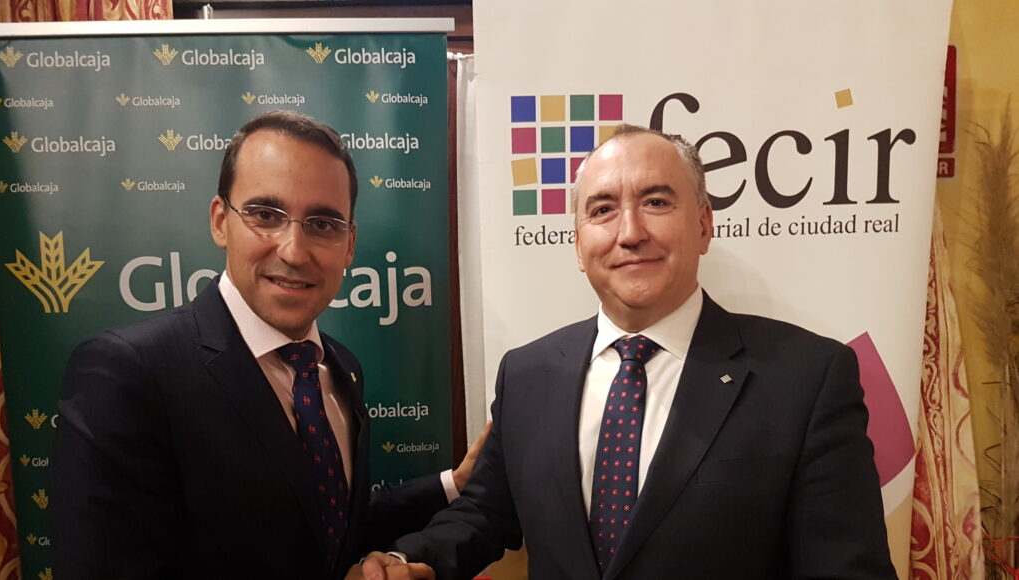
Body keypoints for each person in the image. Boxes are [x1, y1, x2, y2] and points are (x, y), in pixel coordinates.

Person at [353, 124, 896, 579]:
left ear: (704, 224)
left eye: (656, 202)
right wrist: (409, 560)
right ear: (578, 244)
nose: (630, 232)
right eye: (603, 209)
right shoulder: (527, 373)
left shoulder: (806, 378)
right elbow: (487, 511)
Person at [54, 110, 480, 579]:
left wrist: (454, 484)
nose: (293, 250)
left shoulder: (340, 368)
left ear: (349, 244)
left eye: (323, 224)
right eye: (265, 215)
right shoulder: (130, 373)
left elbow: (323, 526)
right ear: (221, 221)